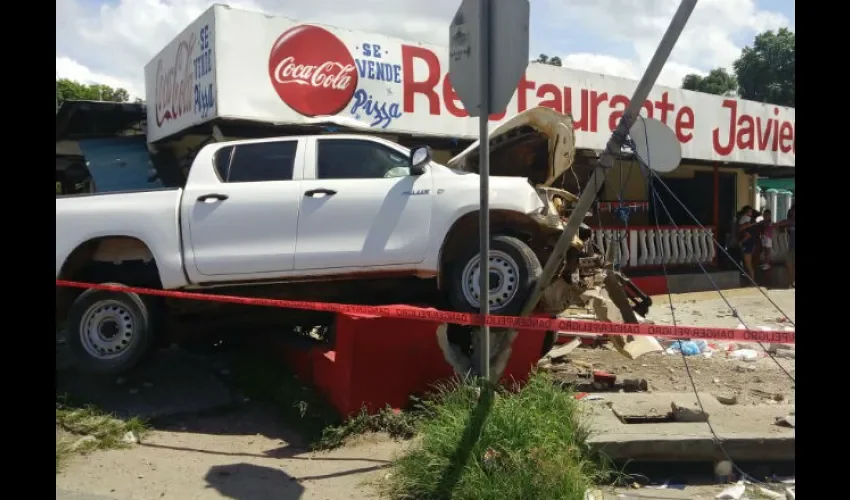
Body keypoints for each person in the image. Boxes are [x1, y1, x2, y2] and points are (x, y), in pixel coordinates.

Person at [736, 206, 758, 281]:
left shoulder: (748, 222)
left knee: (748, 262)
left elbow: (748, 235)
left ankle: (752, 278)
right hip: (748, 243)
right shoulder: (746, 220)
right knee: (746, 262)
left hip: (748, 243)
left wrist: (741, 241)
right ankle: (750, 277)